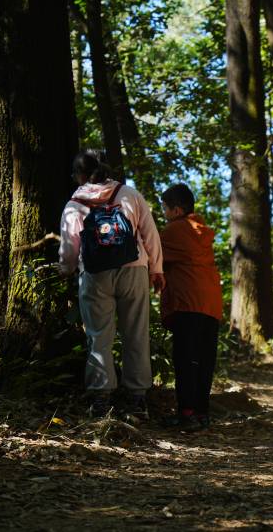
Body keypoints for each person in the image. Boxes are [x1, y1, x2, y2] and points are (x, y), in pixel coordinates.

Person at [59, 150, 165, 419]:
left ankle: (101, 400)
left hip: (95, 275)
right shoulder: (129, 194)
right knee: (136, 334)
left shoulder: (74, 203)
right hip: (134, 270)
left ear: (81, 175)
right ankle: (137, 400)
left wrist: (66, 270)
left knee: (98, 337)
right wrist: (157, 268)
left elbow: (69, 249)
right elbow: (150, 234)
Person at [158, 183, 223, 431]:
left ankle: (186, 414)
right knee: (204, 360)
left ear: (176, 210)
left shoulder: (175, 230)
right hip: (210, 303)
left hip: (187, 302)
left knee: (185, 360)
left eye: (164, 208)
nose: (163, 213)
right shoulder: (201, 231)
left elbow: (152, 256)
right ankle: (202, 413)